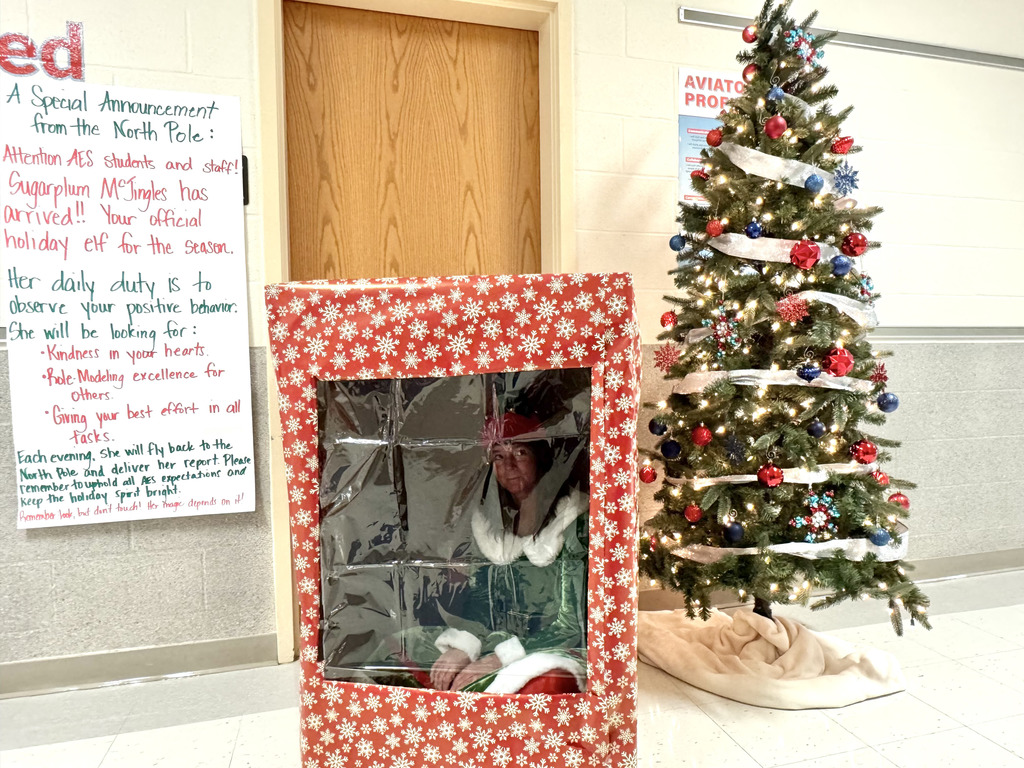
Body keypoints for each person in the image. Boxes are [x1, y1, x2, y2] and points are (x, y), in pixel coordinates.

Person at [423, 413, 590, 693]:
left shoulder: (572, 523)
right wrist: (465, 647)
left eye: (520, 452)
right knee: (403, 646)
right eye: (499, 456)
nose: (509, 465)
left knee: (542, 682)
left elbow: (572, 626)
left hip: (555, 647)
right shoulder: (490, 526)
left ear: (540, 459)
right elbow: (480, 604)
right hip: (498, 640)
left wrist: (500, 658)